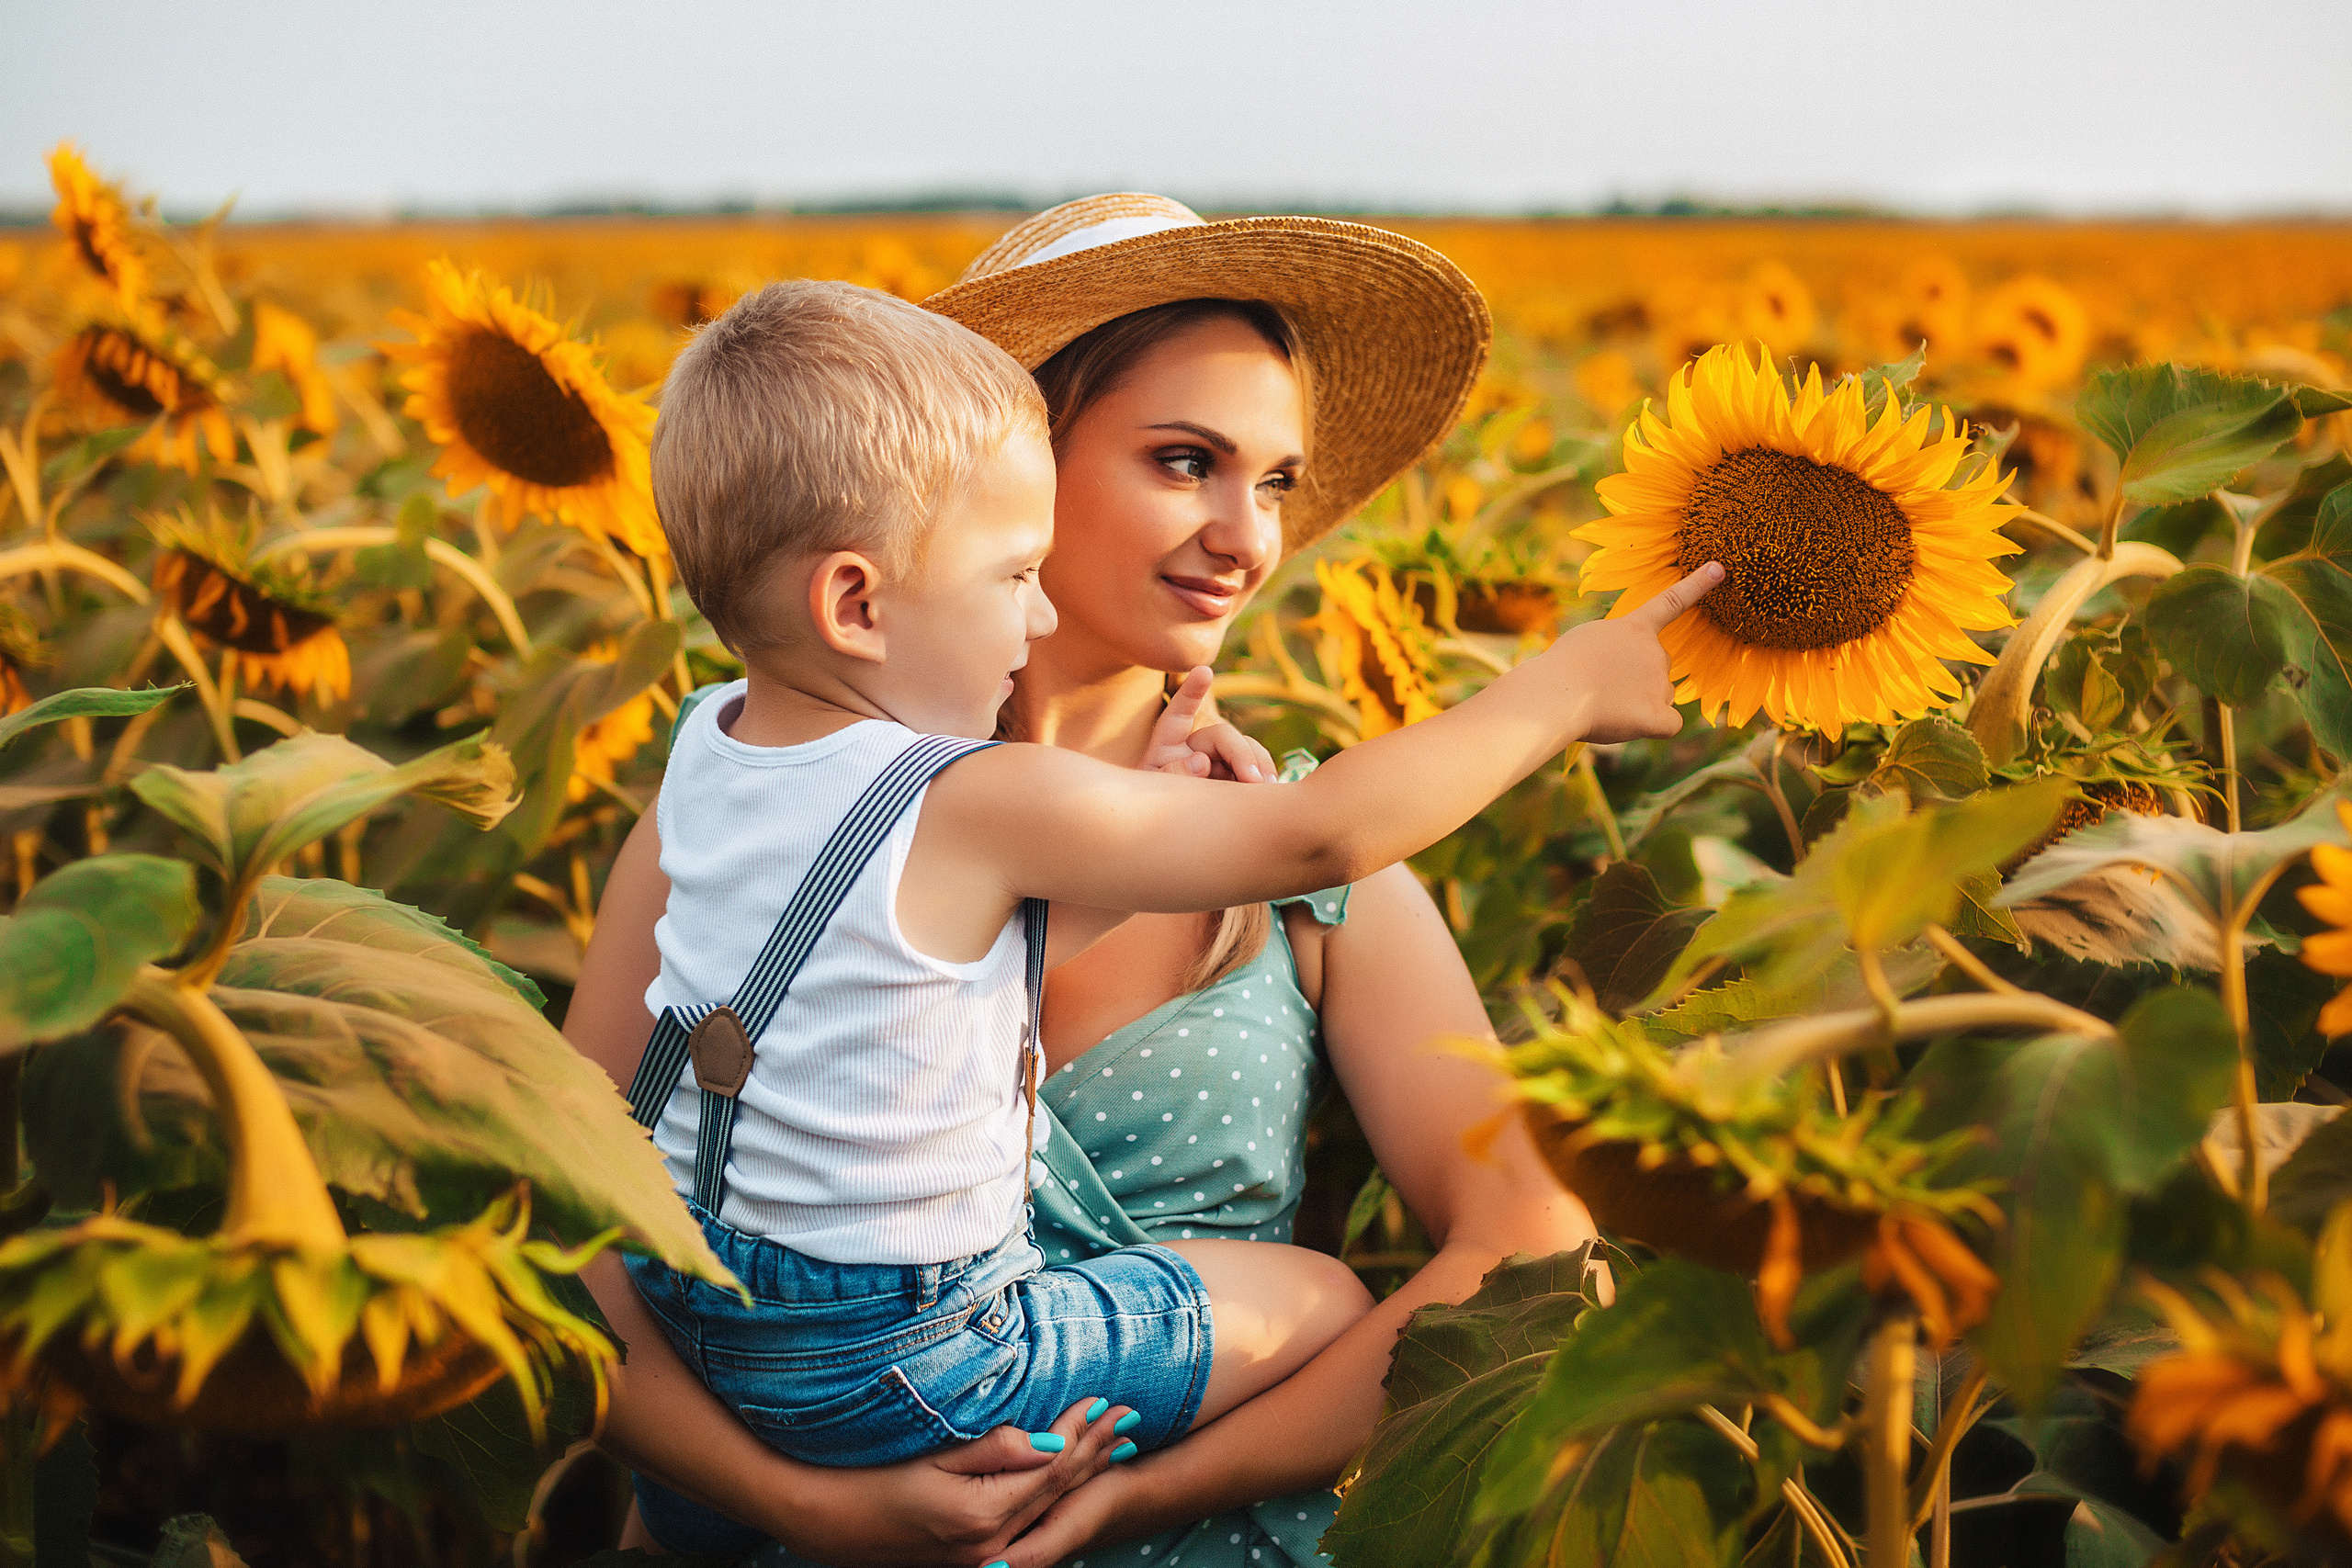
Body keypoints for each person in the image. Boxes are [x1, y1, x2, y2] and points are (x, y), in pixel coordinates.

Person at [565, 195, 1716, 1568]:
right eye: (1185, 462)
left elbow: (1532, 1255)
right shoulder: (749, 830)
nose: (1249, 536)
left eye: (1276, 482)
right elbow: (572, 1222)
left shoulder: (1292, 885)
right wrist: (817, 1510)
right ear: (1017, 468)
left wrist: (1145, 1491)